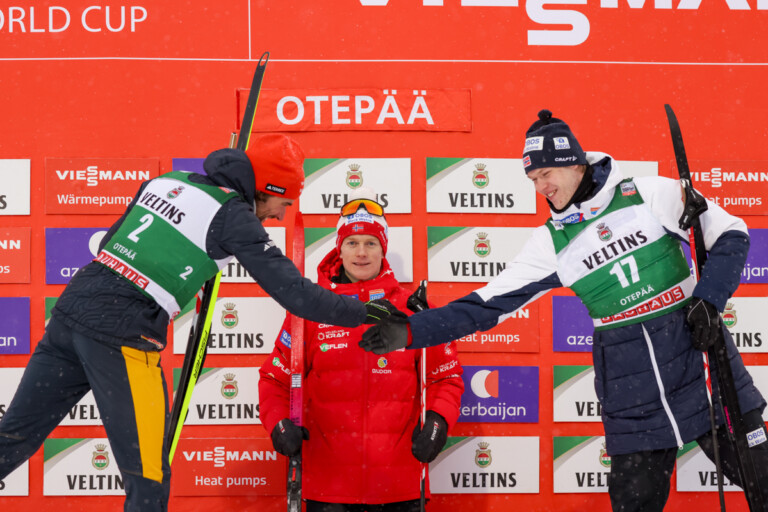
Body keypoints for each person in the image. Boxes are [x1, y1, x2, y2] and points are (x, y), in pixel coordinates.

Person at [360, 110, 768, 511]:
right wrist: (411, 331)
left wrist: (709, 299)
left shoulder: (648, 193)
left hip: (703, 365)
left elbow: (730, 233)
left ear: (573, 163)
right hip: (631, 395)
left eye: (545, 176)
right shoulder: (549, 243)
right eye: (533, 180)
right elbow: (484, 307)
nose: (541, 188)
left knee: (763, 483)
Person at [0, 134, 398, 512]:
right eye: (286, 202)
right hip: (121, 334)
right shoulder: (233, 217)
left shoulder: (169, 180)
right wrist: (365, 311)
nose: (280, 216)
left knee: (15, 435)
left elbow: (110, 246)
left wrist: (191, 262)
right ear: (270, 190)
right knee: (148, 475)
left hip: (71, 313)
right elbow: (295, 293)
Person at [259, 190, 464, 512]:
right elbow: (275, 379)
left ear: (384, 249)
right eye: (352, 243)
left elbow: (445, 378)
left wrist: (438, 422)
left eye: (371, 243)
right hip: (328, 487)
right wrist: (278, 423)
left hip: (399, 484)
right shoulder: (310, 311)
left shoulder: (415, 310)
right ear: (339, 249)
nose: (361, 252)